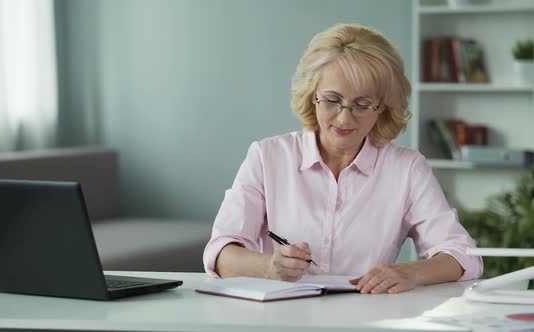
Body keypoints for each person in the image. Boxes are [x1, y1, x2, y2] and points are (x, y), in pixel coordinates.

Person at [203, 23, 483, 294]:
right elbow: (219, 254)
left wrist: (411, 272)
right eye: (332, 100)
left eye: (362, 105)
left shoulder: (407, 169)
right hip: (279, 317)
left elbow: (463, 256)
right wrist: (269, 266)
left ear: (383, 107)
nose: (345, 117)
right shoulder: (267, 157)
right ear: (312, 95)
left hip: (368, 317)